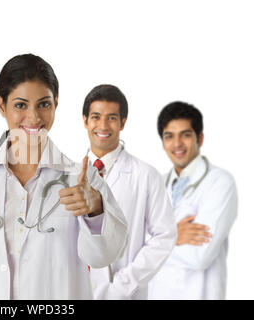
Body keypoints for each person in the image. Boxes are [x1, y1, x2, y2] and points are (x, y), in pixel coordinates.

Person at [0, 54, 128, 300]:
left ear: (56, 104)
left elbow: (104, 257)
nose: (34, 117)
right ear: (1, 105)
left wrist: (95, 209)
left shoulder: (80, 178)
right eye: (20, 105)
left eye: (43, 104)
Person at [83, 84, 177, 300]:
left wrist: (123, 284)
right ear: (85, 120)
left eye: (112, 118)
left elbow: (165, 236)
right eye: (96, 117)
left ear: (123, 122)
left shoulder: (145, 176)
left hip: (123, 294)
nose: (103, 125)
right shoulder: (66, 175)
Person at [148, 101, 238, 300]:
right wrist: (174, 235)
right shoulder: (157, 184)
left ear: (200, 138)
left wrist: (157, 241)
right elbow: (130, 251)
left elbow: (199, 256)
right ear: (162, 142)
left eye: (185, 135)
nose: (177, 144)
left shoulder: (220, 183)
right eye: (169, 136)